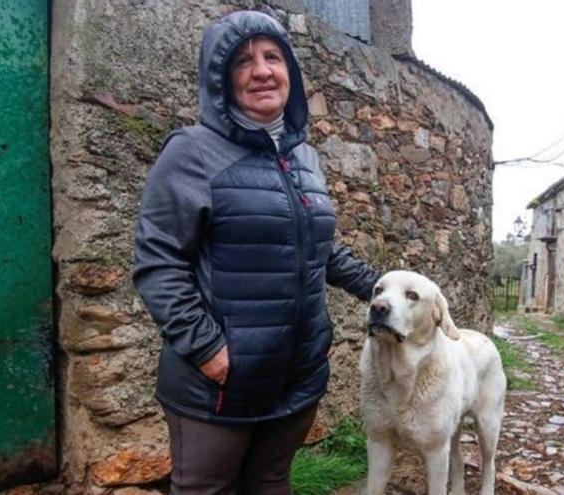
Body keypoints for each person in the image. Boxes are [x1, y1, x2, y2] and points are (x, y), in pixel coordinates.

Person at [132, 10, 379, 494]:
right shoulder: (192, 152)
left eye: (273, 57)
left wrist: (387, 285)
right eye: (243, 61)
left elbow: (318, 249)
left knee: (270, 482)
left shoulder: (303, 157)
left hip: (298, 375)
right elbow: (159, 262)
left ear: (291, 71)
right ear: (221, 78)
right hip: (218, 386)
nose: (262, 70)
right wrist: (208, 349)